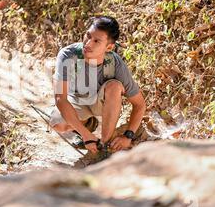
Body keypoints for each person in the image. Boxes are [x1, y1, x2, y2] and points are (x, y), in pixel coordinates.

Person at [49, 15, 146, 154]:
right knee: (59, 124)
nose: (88, 43)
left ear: (109, 47)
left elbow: (139, 104)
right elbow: (60, 99)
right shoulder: (67, 56)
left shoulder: (115, 64)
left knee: (115, 86)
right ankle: (87, 125)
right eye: (88, 36)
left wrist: (128, 136)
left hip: (102, 103)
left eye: (96, 41)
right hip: (77, 100)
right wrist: (84, 134)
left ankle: (105, 145)